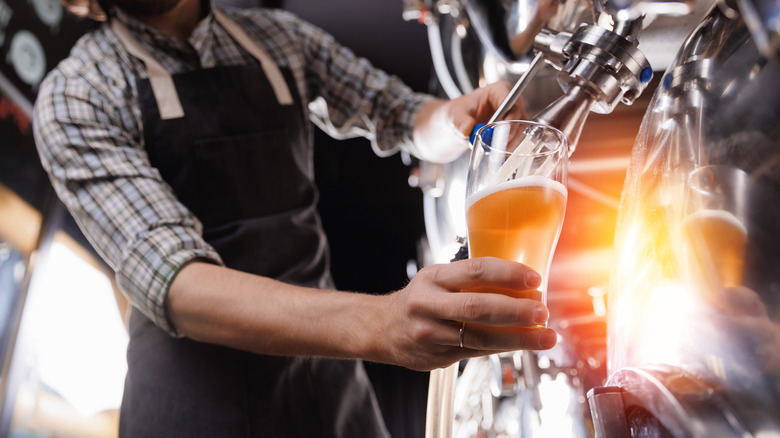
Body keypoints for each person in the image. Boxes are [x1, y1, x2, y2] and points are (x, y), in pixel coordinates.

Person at [33, 0, 558, 436]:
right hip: (195, 406)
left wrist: (456, 118)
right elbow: (180, 285)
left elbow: (399, 115)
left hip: (328, 386)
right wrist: (382, 323)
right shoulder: (78, 93)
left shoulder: (276, 38)